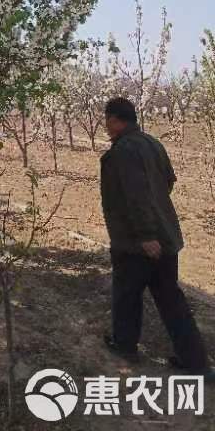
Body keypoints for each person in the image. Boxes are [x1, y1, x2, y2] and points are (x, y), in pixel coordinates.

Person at [100, 97, 213, 377]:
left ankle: (125, 346)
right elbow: (169, 180)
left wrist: (146, 234)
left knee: (127, 295)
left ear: (115, 119)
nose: (105, 125)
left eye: (107, 120)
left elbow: (134, 196)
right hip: (166, 235)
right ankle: (196, 362)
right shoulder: (153, 143)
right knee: (171, 300)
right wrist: (157, 213)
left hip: (137, 243)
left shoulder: (122, 151)